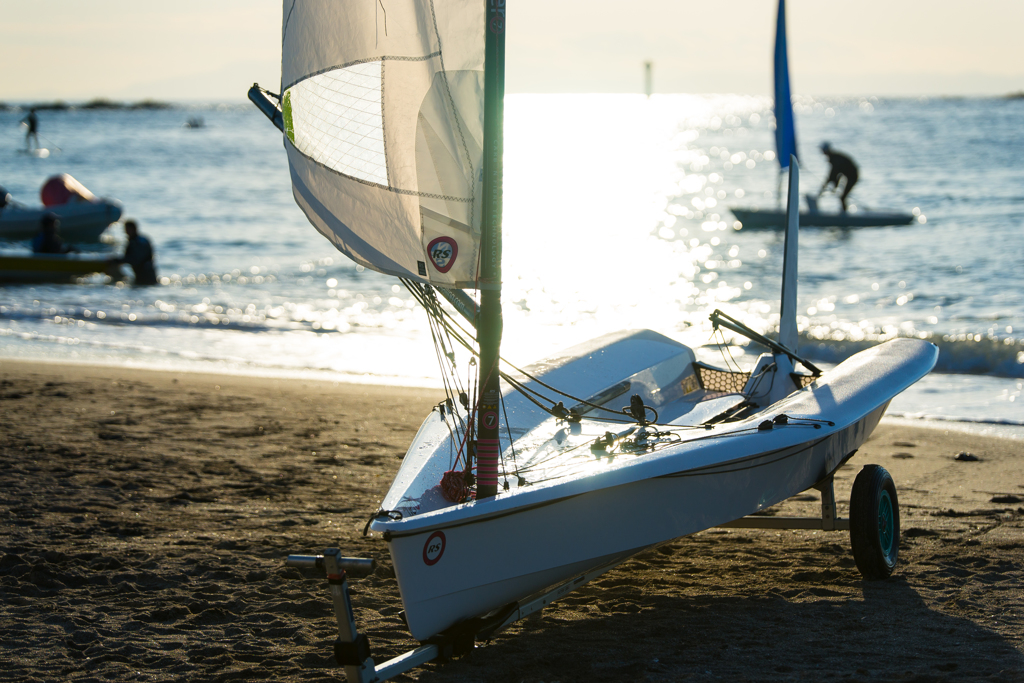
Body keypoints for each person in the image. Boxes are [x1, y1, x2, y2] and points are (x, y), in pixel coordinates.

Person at [109, 220, 158, 285]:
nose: (126, 232)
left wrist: (117, 261)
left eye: (127, 229)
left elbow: (134, 259)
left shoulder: (137, 242)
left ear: (133, 229)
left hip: (145, 274)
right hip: (145, 273)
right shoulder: (139, 240)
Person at [818, 142, 859, 212]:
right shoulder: (833, 158)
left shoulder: (834, 159)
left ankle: (845, 215)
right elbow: (836, 176)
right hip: (848, 176)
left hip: (853, 176)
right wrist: (835, 186)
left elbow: (833, 175)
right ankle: (844, 213)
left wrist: (822, 189)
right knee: (842, 197)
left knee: (842, 197)